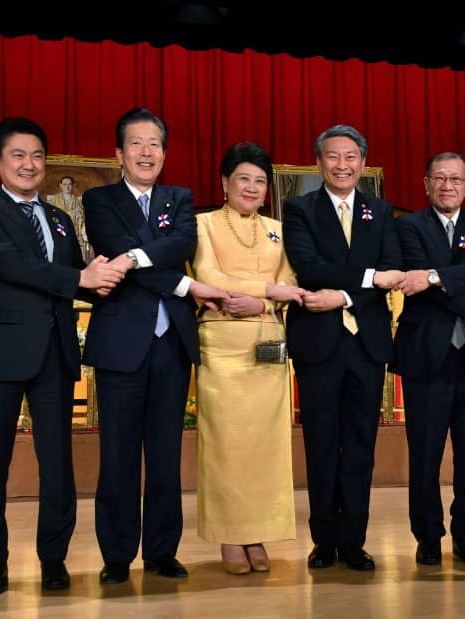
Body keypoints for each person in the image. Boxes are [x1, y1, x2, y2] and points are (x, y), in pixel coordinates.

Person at [0, 117, 126, 599]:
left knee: (58, 465)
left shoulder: (58, 217)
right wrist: (79, 279)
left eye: (37, 156)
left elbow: (78, 276)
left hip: (55, 353)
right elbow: (12, 266)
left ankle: (53, 559)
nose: (29, 164)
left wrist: (120, 278)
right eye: (17, 155)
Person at [82, 107, 228, 585]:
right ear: (118, 153)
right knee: (119, 456)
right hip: (122, 343)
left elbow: (181, 242)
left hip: (172, 346)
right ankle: (118, 555)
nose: (146, 153)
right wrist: (186, 286)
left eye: (155, 144)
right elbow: (113, 245)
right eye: (136, 144)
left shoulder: (179, 198)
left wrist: (134, 256)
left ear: (164, 153)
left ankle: (163, 550)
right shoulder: (98, 199)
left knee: (166, 454)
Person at [282, 124, 404, 571]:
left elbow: (394, 268)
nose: (342, 165)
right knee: (320, 442)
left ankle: (354, 539)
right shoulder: (299, 209)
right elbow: (310, 268)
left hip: (367, 343)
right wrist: (369, 279)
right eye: (332, 156)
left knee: (359, 444)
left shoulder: (381, 210)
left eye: (350, 156)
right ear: (318, 163)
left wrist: (348, 294)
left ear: (363, 163)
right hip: (319, 343)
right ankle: (324, 540)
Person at [191, 142, 306, 574]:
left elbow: (289, 280)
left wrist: (263, 302)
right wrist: (268, 290)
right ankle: (230, 536)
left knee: (265, 447)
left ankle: (258, 533)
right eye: (243, 178)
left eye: (260, 181)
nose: (252, 187)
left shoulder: (278, 228)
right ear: (224, 182)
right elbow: (208, 276)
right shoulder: (202, 224)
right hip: (222, 343)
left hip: (269, 339)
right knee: (227, 445)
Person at [391, 152, 465, 565]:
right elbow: (414, 277)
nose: (447, 186)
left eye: (456, 179)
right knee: (425, 454)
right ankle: (427, 536)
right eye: (439, 178)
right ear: (426, 184)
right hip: (425, 354)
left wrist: (436, 277)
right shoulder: (407, 226)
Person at [47, 175, 89, 260]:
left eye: (69, 184)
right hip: (58, 234)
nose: (67, 187)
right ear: (61, 185)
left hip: (74, 234)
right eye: (65, 184)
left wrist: (84, 232)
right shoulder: (53, 200)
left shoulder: (78, 202)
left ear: (73, 185)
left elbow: (83, 219)